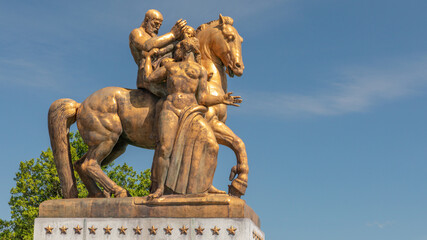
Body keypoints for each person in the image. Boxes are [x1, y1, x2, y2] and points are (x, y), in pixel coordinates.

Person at [142, 33, 242, 199]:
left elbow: (202, 98)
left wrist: (222, 98)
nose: (179, 51)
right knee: (165, 149)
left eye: (182, 48)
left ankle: (206, 184)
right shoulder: (170, 67)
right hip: (171, 109)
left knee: (212, 145)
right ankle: (159, 188)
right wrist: (147, 60)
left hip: (192, 111)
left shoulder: (201, 71)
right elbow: (149, 79)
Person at [129, 9, 187, 91]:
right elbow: (146, 45)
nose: (157, 27)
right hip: (147, 73)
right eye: (155, 24)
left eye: (159, 25)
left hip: (160, 72)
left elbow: (164, 50)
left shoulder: (155, 38)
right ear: (146, 20)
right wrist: (172, 35)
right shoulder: (136, 33)